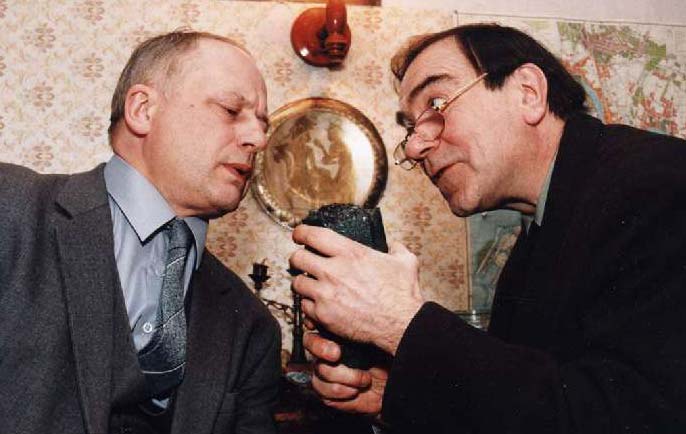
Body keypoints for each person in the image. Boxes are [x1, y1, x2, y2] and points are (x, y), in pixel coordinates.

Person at [289, 23, 686, 433]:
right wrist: (396, 395)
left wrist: (401, 324)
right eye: (409, 128)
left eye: (436, 103)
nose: (415, 147)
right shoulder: (535, 238)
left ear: (528, 93)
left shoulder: (661, 187)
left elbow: (636, 418)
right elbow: (541, 403)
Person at [0, 31, 281, 434]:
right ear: (143, 110)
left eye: (262, 123)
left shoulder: (253, 326)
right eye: (231, 109)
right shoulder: (9, 208)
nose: (258, 138)